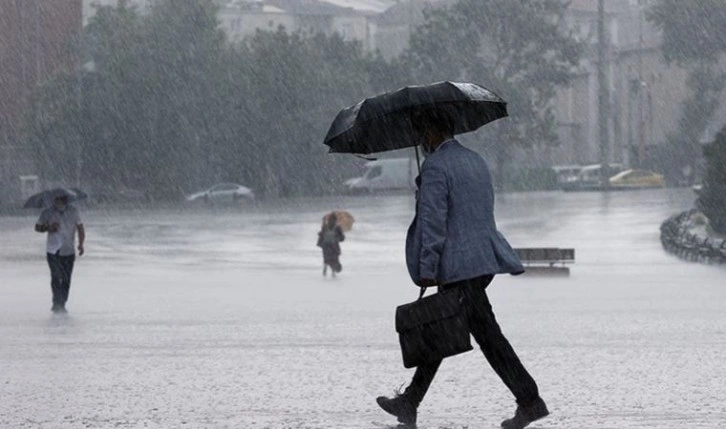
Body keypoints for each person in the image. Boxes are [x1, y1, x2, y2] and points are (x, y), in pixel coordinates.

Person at [376, 111, 548, 429]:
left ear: (431, 130)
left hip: (458, 266)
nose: (420, 141)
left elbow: (434, 223)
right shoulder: (475, 160)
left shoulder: (436, 167)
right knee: (441, 329)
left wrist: (427, 267)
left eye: (421, 133)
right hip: (481, 261)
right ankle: (410, 402)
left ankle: (530, 400)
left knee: (486, 337)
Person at [35, 190, 85, 313]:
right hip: (53, 250)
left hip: (68, 249)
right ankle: (57, 302)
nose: (58, 203)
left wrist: (81, 244)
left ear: (65, 200)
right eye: (56, 200)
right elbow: (37, 227)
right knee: (56, 276)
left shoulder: (74, 212)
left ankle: (62, 301)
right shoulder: (47, 213)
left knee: (67, 278)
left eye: (61, 200)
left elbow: (80, 227)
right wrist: (48, 228)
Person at [317, 213, 345, 277]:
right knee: (334, 259)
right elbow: (342, 238)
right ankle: (332, 272)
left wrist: (320, 243)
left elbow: (321, 235)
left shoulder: (326, 226)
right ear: (336, 220)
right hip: (333, 245)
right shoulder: (337, 227)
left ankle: (326, 270)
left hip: (327, 245)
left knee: (327, 259)